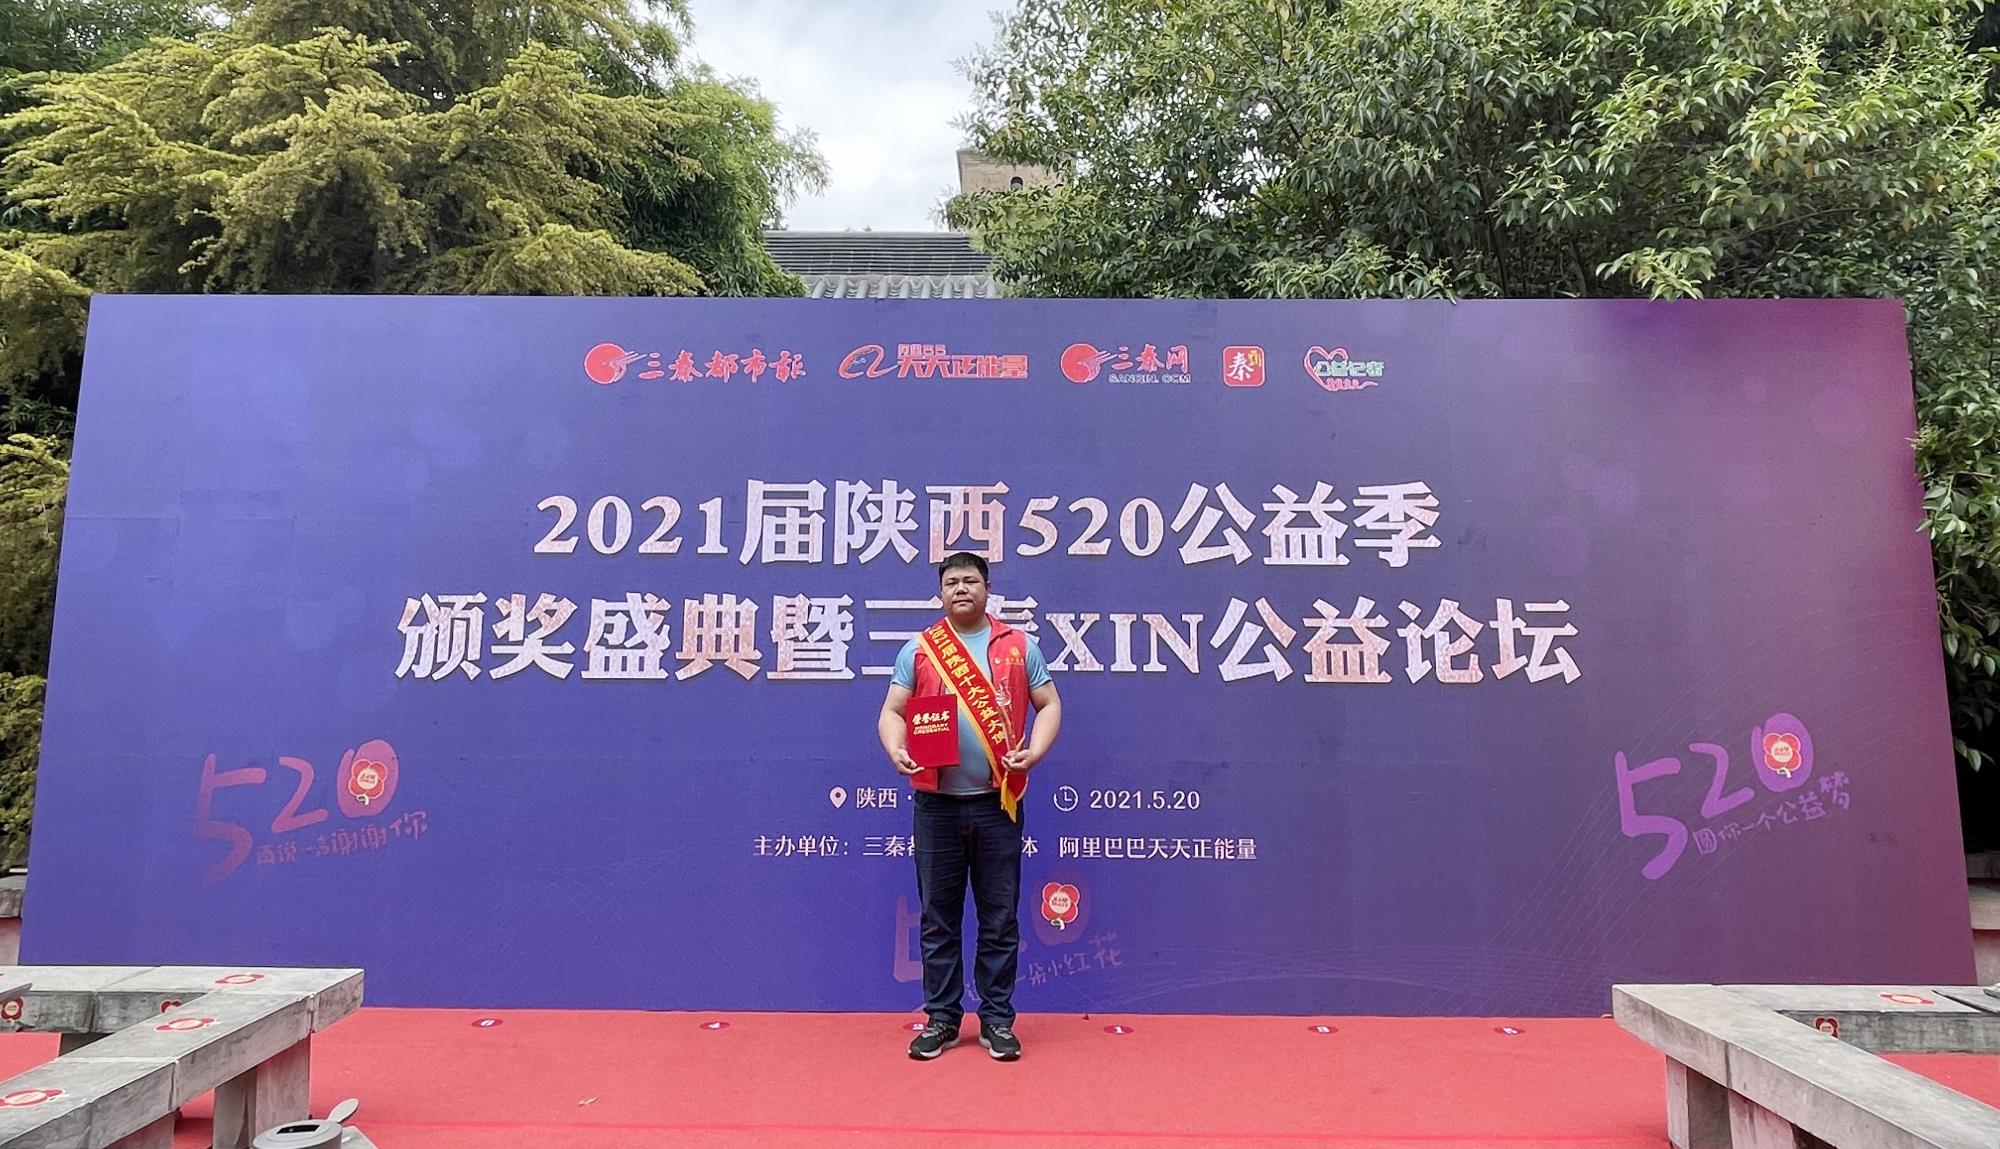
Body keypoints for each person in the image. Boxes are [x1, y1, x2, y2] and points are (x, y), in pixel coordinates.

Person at [878, 552, 1062, 1061]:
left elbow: (1050, 704)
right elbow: (892, 711)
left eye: (971, 581)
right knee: (938, 917)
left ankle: (997, 1020)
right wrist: (895, 747)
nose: (962, 588)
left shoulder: (1018, 646)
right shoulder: (920, 649)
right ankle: (941, 1018)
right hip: (935, 805)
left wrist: (1036, 750)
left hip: (997, 803)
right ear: (941, 593)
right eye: (952, 582)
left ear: (987, 589)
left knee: (999, 916)